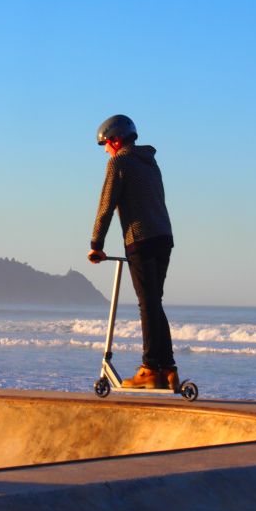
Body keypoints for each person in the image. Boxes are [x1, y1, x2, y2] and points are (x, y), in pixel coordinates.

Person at [87, 114, 178, 390]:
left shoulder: (119, 162)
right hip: (164, 237)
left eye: (105, 145)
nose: (105, 151)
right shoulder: (149, 163)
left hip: (141, 239)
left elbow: (106, 205)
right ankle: (167, 369)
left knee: (147, 304)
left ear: (115, 141)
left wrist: (96, 246)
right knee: (154, 303)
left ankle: (150, 368)